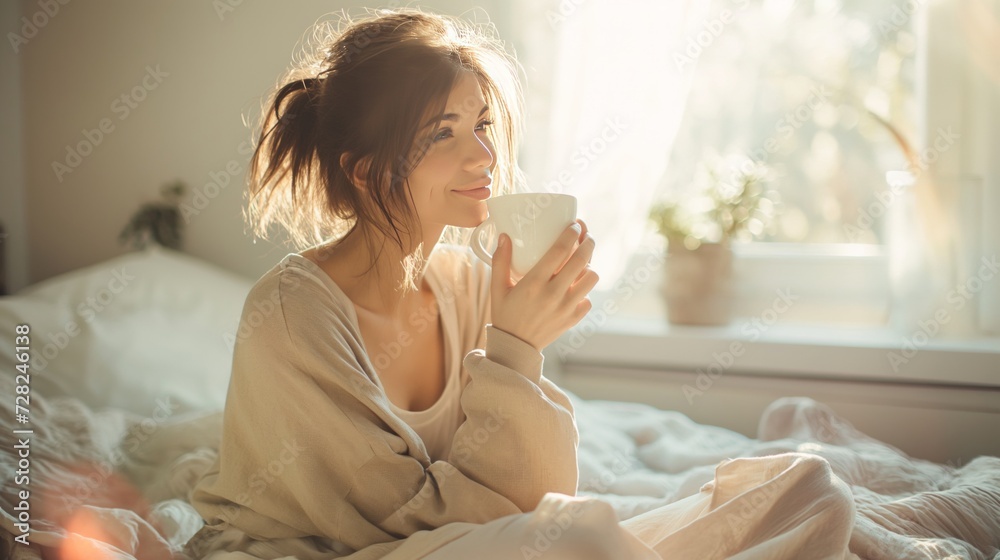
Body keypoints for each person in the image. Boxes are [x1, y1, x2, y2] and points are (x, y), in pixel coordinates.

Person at [184, 7, 855, 560]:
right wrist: (514, 349)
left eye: (479, 124)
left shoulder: (469, 282)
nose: (483, 155)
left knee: (808, 488)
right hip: (337, 552)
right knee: (583, 536)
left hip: (480, 543)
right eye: (442, 134)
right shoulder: (290, 310)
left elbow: (536, 494)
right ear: (365, 171)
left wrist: (521, 346)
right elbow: (404, 523)